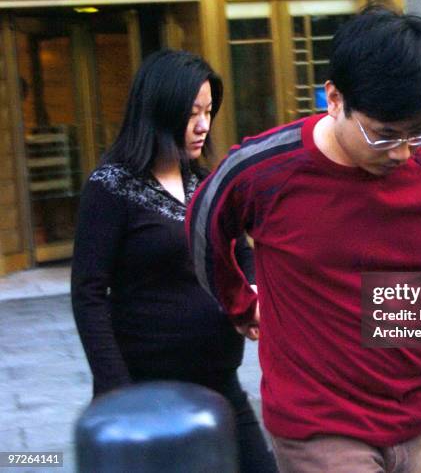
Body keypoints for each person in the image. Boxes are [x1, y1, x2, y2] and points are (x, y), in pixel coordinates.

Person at [187, 5, 421, 473]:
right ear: (334, 98)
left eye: (419, 130)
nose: (404, 152)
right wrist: (238, 301)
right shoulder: (264, 169)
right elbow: (203, 225)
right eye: (384, 135)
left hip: (415, 418)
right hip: (319, 430)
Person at [71, 49, 277, 473]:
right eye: (192, 113)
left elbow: (240, 249)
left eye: (208, 111)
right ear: (159, 111)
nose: (204, 125)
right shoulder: (111, 187)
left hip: (219, 382)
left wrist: (252, 289)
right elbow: (88, 293)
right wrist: (116, 390)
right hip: (146, 389)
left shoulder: (205, 181)